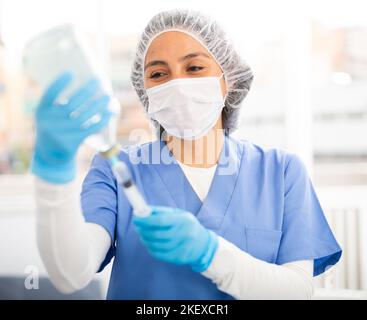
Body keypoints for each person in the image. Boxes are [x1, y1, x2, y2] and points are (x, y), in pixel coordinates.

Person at [33, 9, 342, 300]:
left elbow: (296, 291)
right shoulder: (115, 169)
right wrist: (54, 172)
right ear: (145, 92)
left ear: (228, 79)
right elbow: (70, 273)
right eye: (158, 74)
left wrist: (210, 253)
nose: (177, 84)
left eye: (194, 68)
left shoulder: (281, 171)